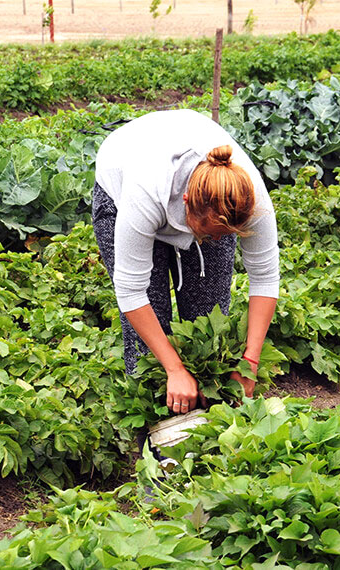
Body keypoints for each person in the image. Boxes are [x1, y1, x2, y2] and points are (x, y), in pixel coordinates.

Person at [92, 109, 280, 415]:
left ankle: (208, 431)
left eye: (225, 235)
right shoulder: (144, 193)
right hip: (121, 180)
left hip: (203, 200)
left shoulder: (247, 197)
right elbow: (131, 293)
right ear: (186, 205)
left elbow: (266, 278)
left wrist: (250, 361)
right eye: (209, 233)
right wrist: (174, 369)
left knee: (209, 328)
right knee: (148, 348)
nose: (218, 242)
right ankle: (155, 442)